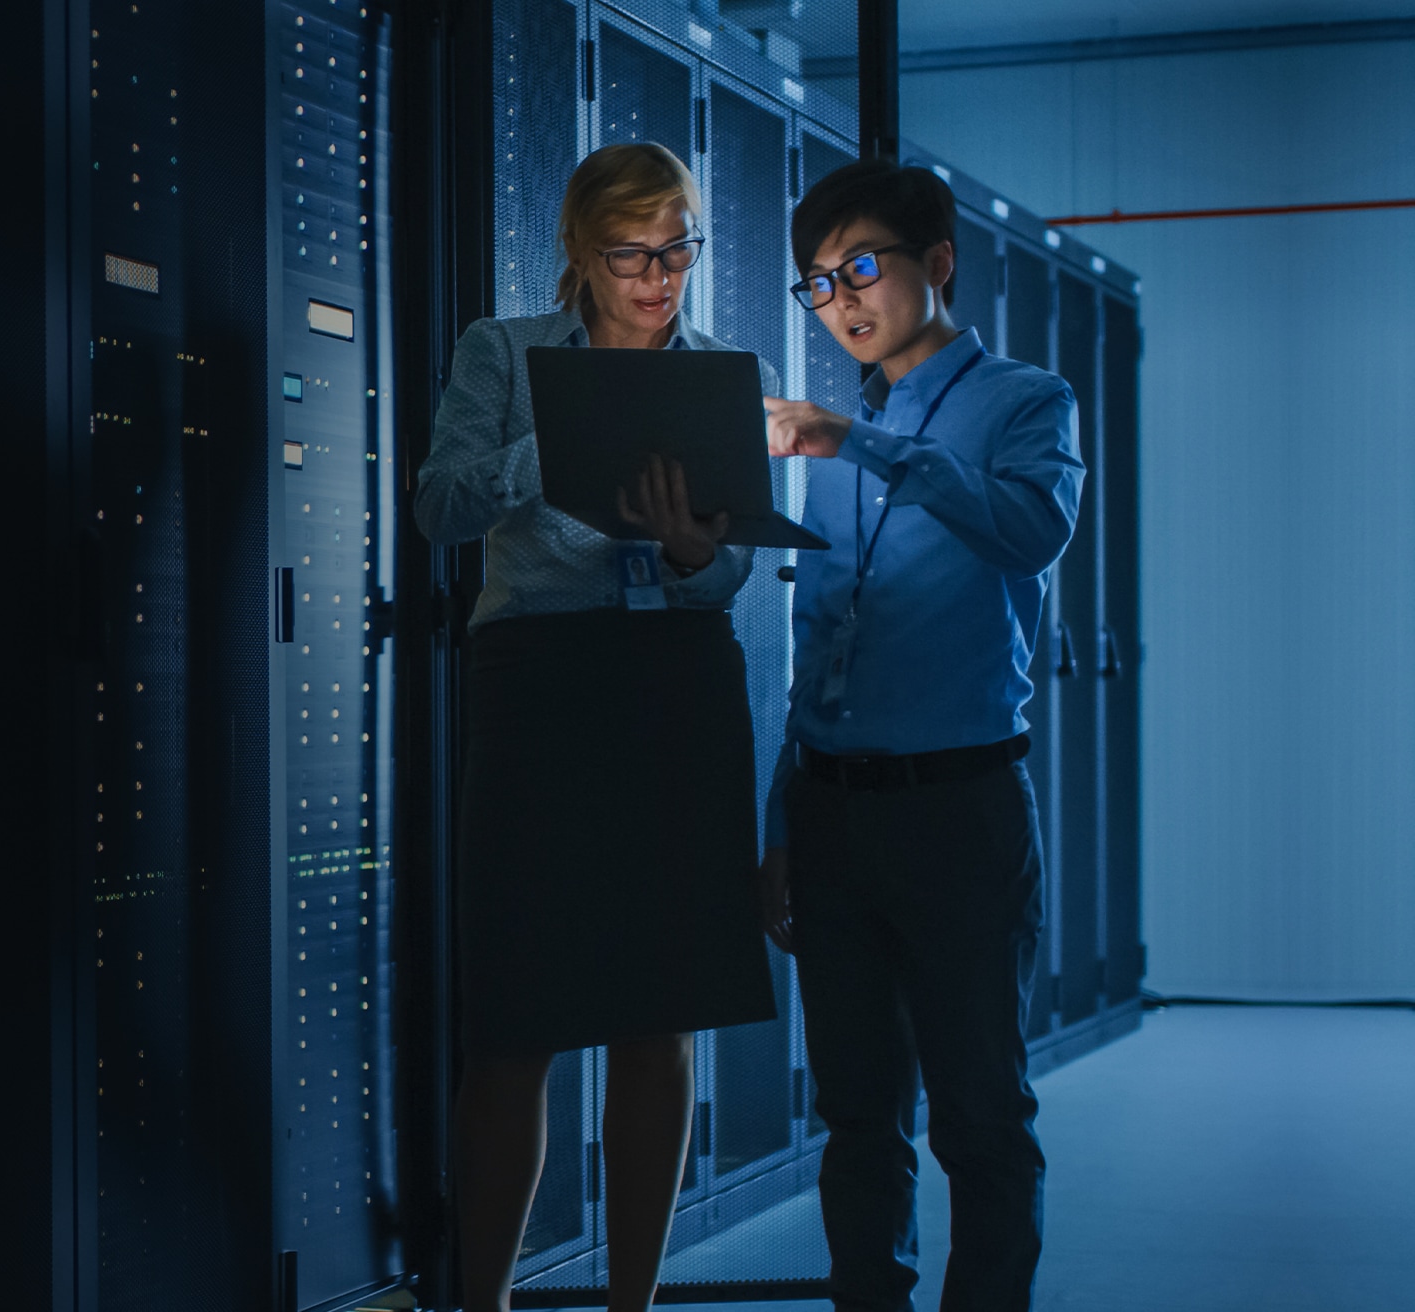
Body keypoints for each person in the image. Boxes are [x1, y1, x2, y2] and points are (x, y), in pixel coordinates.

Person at [419, 142, 781, 1312]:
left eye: (677, 251)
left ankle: (632, 1305)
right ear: (577, 250)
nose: (657, 278)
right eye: (630, 255)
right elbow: (438, 504)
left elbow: (728, 573)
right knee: (511, 1019)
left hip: (675, 682)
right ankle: (482, 1302)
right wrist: (563, 445)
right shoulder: (502, 350)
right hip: (538, 686)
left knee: (657, 1014)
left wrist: (688, 552)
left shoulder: (722, 372)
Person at [760, 158, 1084, 1312]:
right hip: (831, 812)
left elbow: (1028, 531)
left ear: (936, 262)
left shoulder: (1024, 400)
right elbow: (819, 644)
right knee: (854, 1115)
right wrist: (780, 819)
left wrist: (861, 445)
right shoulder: (835, 431)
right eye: (815, 283)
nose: (838, 301)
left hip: (957, 810)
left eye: (857, 268)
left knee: (978, 1114)